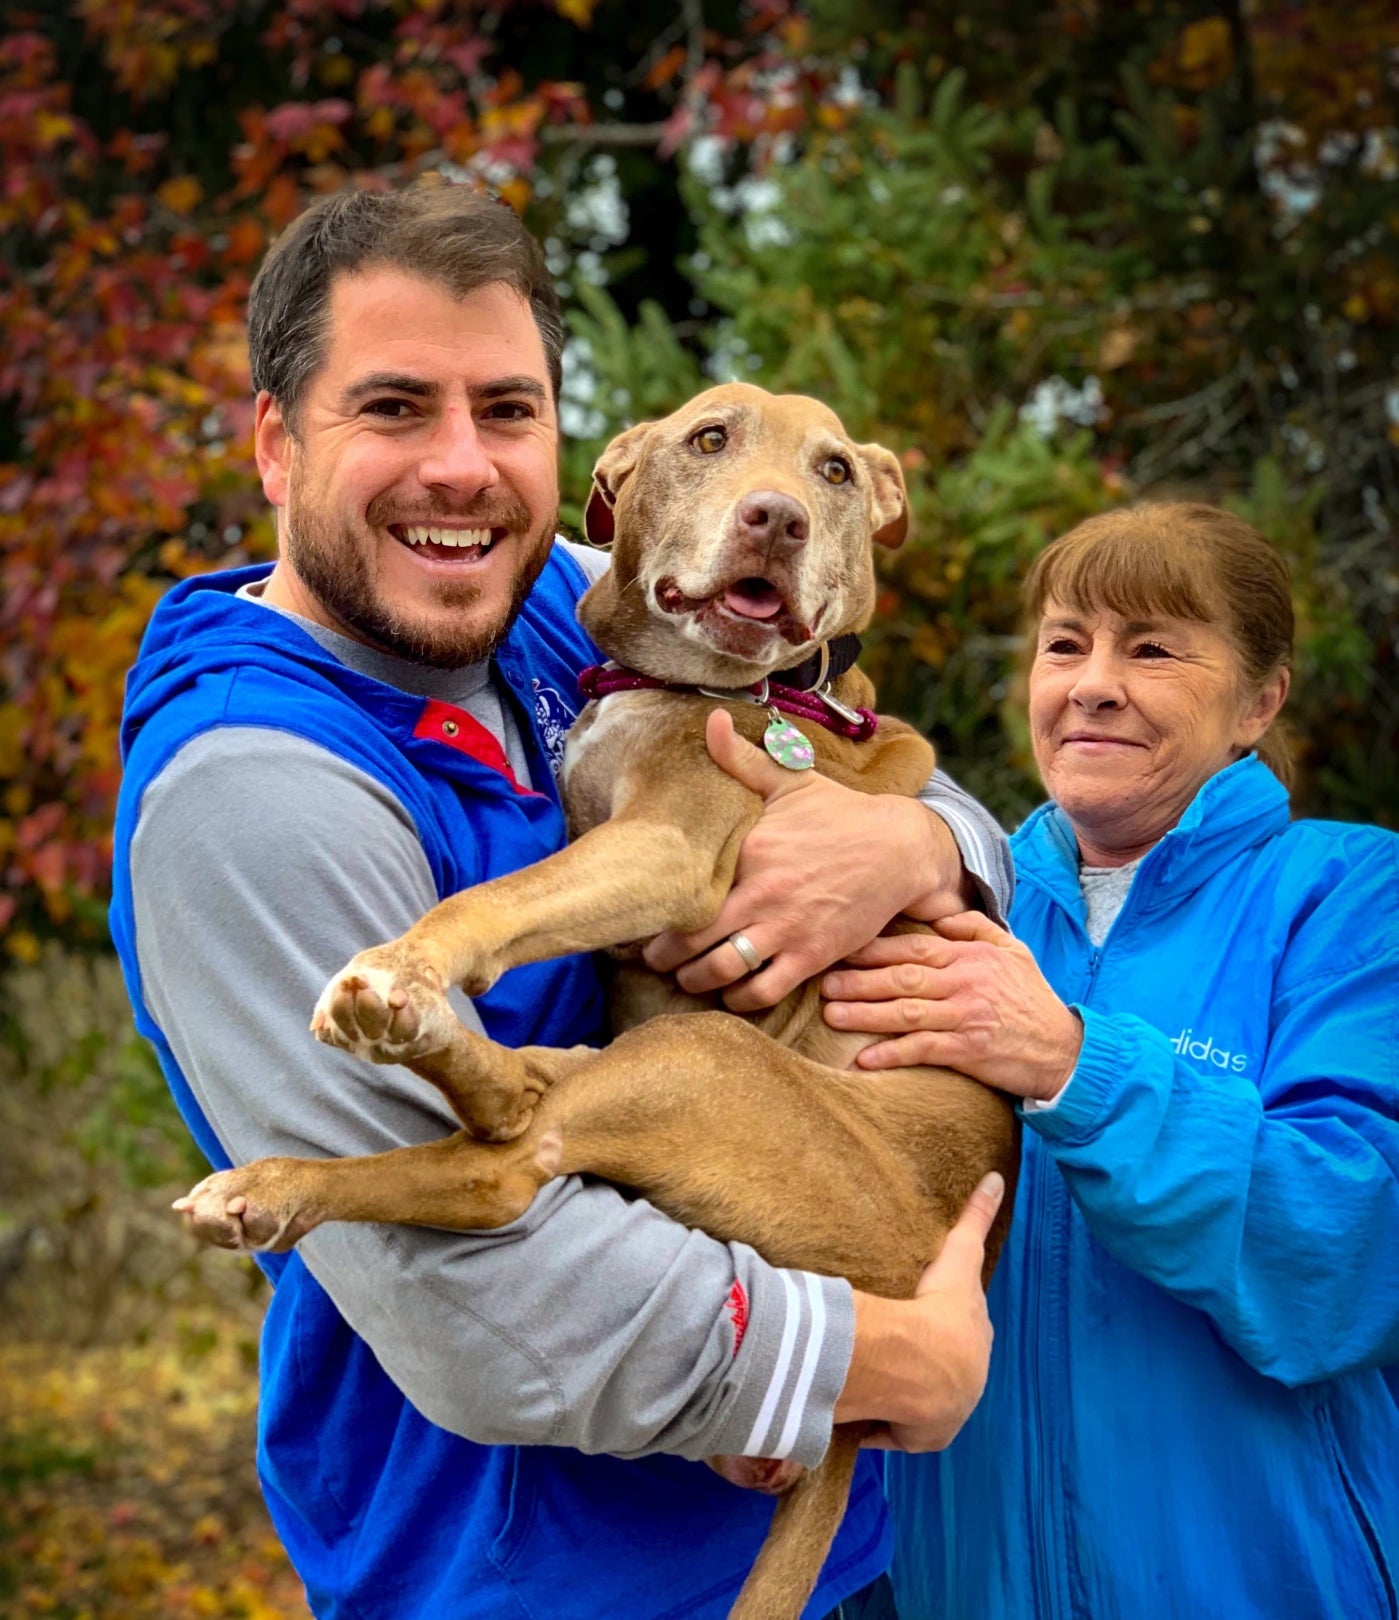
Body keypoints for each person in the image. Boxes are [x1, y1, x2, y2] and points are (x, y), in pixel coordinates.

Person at [108, 182, 1015, 1620]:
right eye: (395, 408)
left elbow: (841, 732)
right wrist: (866, 1358)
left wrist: (927, 851)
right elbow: (464, 1303)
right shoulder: (252, 792)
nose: (461, 472)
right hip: (544, 1578)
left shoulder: (562, 601)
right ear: (277, 442)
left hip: (843, 1555)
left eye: (506, 410)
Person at [814, 503, 1399, 1618]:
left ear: (1258, 702)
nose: (1090, 683)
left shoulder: (1348, 898)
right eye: (1064, 643)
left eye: (1153, 647)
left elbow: (1355, 1249)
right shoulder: (952, 914)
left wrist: (1070, 1062)